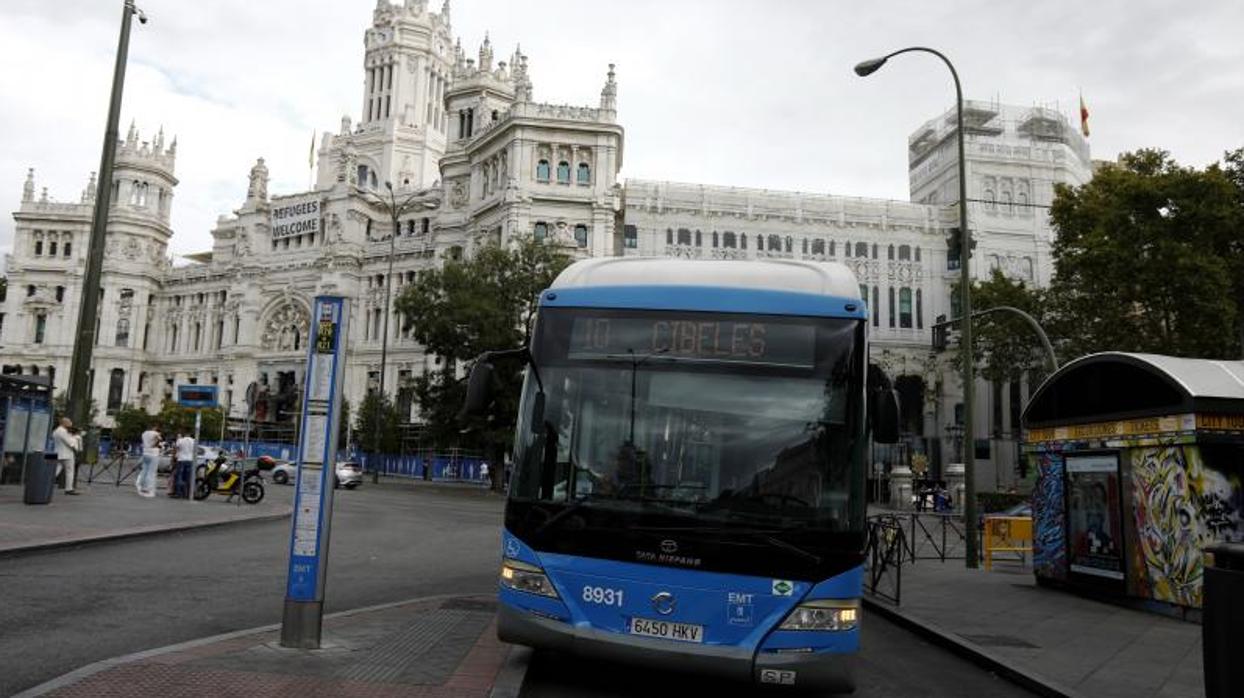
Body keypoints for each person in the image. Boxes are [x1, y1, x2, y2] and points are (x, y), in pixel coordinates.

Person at [52, 417, 81, 496]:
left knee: (56, 469)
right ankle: (69, 489)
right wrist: (76, 437)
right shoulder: (62, 431)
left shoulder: (56, 431)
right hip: (67, 454)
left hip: (58, 453)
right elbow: (70, 442)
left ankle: (46, 482)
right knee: (70, 471)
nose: (71, 423)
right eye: (69, 422)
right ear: (64, 423)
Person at [138, 423, 162, 498]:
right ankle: (149, 489)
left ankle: (142, 487)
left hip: (145, 453)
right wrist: (155, 445)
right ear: (154, 427)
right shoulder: (156, 433)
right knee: (151, 472)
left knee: (144, 471)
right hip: (153, 454)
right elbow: (158, 441)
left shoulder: (144, 433)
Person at [173, 430, 195, 498]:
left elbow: (176, 449)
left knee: (179, 476)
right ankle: (188, 493)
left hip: (181, 459)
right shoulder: (194, 441)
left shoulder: (180, 440)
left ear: (184, 433)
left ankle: (178, 493)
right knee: (188, 477)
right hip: (190, 460)